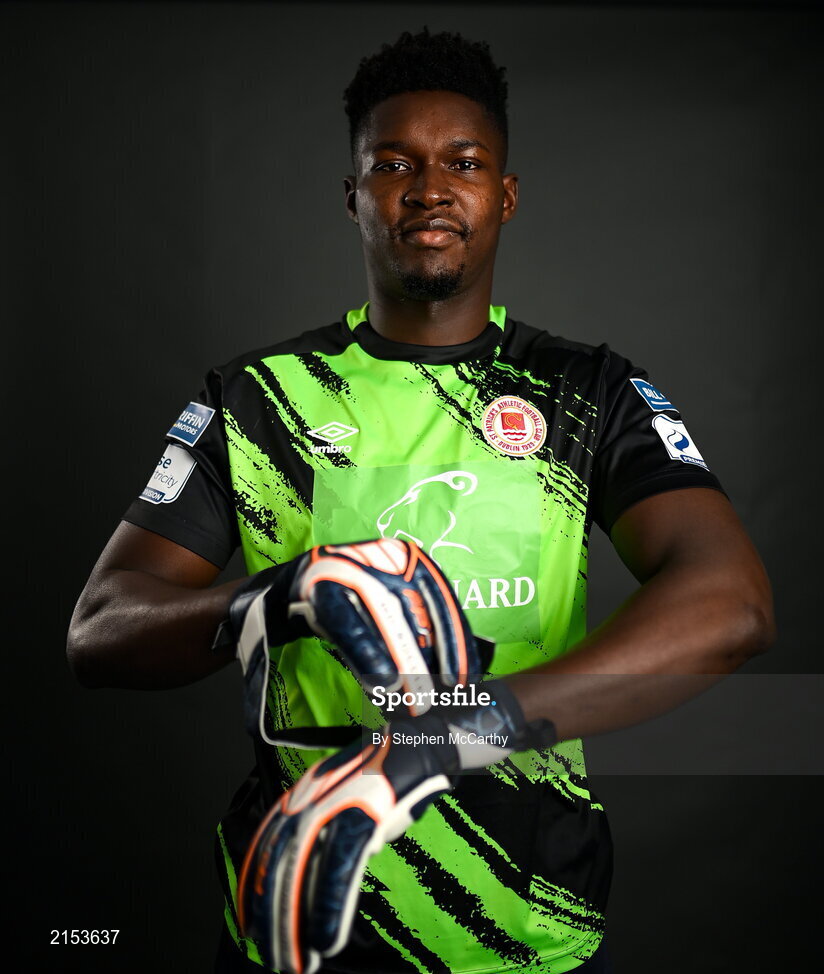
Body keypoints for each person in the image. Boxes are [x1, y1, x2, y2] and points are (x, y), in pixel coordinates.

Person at [67, 28, 774, 974]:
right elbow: (100, 631)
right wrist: (275, 599)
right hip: (307, 914)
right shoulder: (260, 397)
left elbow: (732, 602)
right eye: (393, 164)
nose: (429, 187)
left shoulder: (585, 391)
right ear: (353, 196)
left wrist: (461, 732)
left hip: (526, 919)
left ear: (505, 196)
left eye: (464, 162)